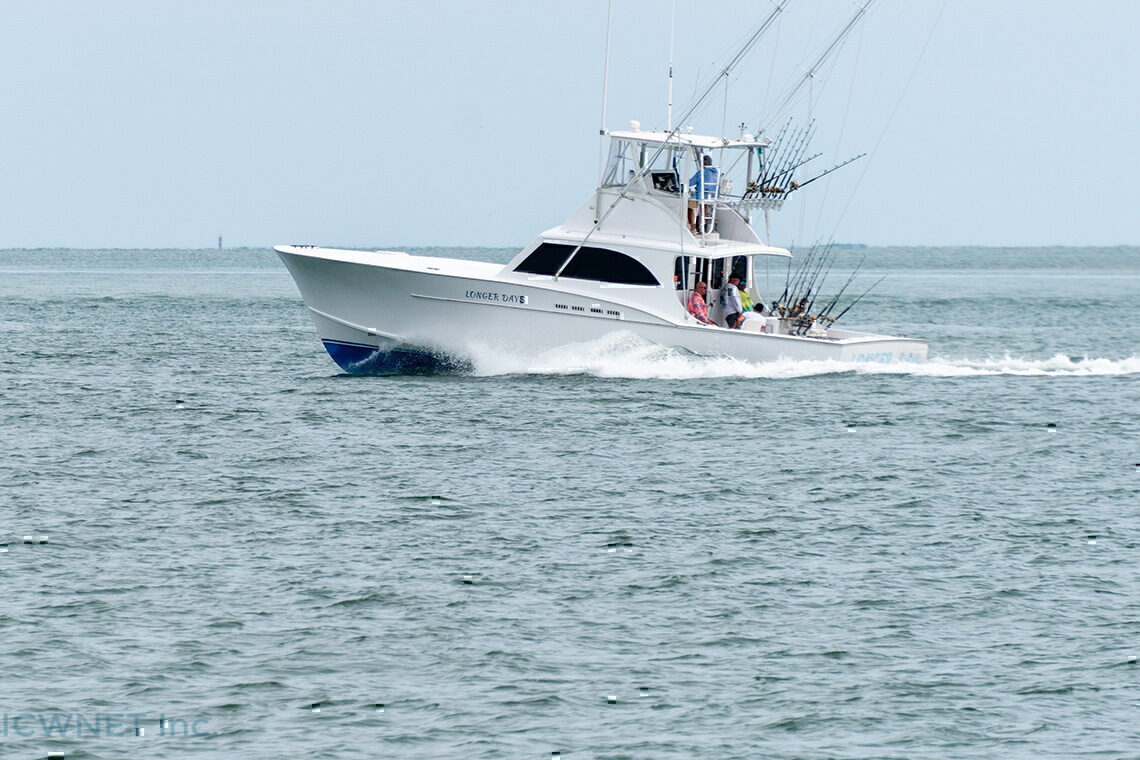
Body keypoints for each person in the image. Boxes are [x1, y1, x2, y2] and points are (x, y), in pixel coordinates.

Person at [687, 155, 719, 233]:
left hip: (701, 196)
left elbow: (689, 183)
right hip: (712, 196)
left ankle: (692, 226)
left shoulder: (701, 173)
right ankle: (701, 226)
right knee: (704, 205)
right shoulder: (716, 172)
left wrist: (681, 184)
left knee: (688, 206)